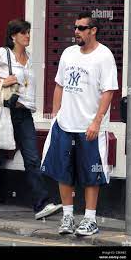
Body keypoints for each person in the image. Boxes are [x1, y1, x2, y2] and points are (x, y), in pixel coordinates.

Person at [0, 19, 62, 219]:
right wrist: (2, 80)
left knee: (32, 158)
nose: (27, 36)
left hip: (24, 113)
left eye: (28, 32)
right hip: (5, 113)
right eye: (23, 33)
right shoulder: (2, 54)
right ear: (13, 36)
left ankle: (41, 204)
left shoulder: (29, 57)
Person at [41, 12, 118, 235]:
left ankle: (90, 219)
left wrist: (96, 121)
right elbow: (59, 85)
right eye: (75, 27)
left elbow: (108, 91)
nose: (76, 32)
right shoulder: (68, 53)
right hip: (65, 124)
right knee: (63, 172)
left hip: (90, 128)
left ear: (93, 30)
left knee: (91, 173)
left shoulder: (104, 56)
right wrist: (56, 115)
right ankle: (67, 217)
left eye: (82, 28)